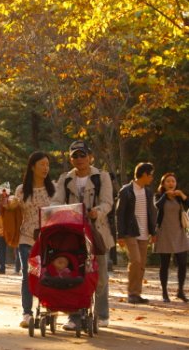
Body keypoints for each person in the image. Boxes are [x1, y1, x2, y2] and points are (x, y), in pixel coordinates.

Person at [51, 140, 114, 329]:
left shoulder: (101, 177)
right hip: (72, 233)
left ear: (90, 156)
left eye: (82, 155)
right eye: (75, 156)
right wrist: (60, 211)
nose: (79, 159)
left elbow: (108, 202)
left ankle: (102, 313)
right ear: (71, 159)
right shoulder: (66, 178)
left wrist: (98, 211)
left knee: (100, 275)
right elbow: (56, 201)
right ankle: (74, 316)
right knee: (74, 273)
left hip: (97, 231)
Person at [12, 151, 56, 328]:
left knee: (49, 275)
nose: (45, 168)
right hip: (27, 238)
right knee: (28, 275)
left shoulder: (54, 188)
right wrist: (8, 203)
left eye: (47, 164)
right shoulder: (21, 190)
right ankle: (27, 313)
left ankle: (48, 310)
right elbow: (14, 207)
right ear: (32, 167)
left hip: (50, 240)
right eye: (42, 164)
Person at [116, 162, 157, 304]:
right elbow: (119, 214)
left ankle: (137, 293)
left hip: (145, 232)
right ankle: (132, 293)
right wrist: (119, 234)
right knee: (135, 260)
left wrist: (154, 232)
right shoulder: (125, 191)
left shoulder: (148, 192)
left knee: (141, 264)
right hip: (130, 231)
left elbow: (152, 212)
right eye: (151, 174)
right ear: (144, 174)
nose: (152, 178)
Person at [153, 172, 189, 303]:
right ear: (163, 184)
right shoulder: (159, 196)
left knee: (182, 263)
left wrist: (183, 195)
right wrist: (164, 196)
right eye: (168, 181)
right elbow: (156, 206)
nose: (171, 183)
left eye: (173, 181)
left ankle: (180, 291)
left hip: (179, 233)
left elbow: (188, 203)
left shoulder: (179, 197)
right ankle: (164, 293)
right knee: (165, 264)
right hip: (164, 233)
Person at [0, 190, 22, 275]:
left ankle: (15, 269)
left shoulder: (14, 206)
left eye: (4, 197)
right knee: (1, 251)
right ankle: (3, 269)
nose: (3, 199)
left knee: (16, 250)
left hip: (9, 231)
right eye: (1, 198)